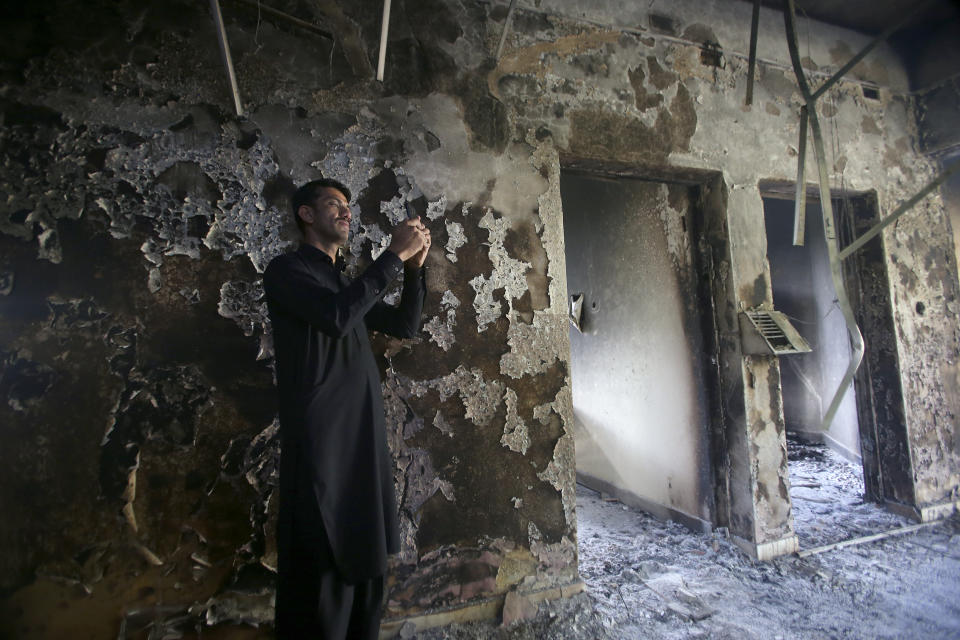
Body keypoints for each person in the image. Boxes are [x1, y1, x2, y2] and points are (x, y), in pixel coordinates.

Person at [263, 178, 430, 639]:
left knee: (366, 550)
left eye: (347, 206)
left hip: (362, 438)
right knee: (324, 556)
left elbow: (404, 325)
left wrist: (415, 269)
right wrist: (392, 257)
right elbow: (337, 318)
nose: (345, 212)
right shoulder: (287, 271)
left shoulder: (343, 282)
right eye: (333, 204)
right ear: (306, 215)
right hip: (323, 442)